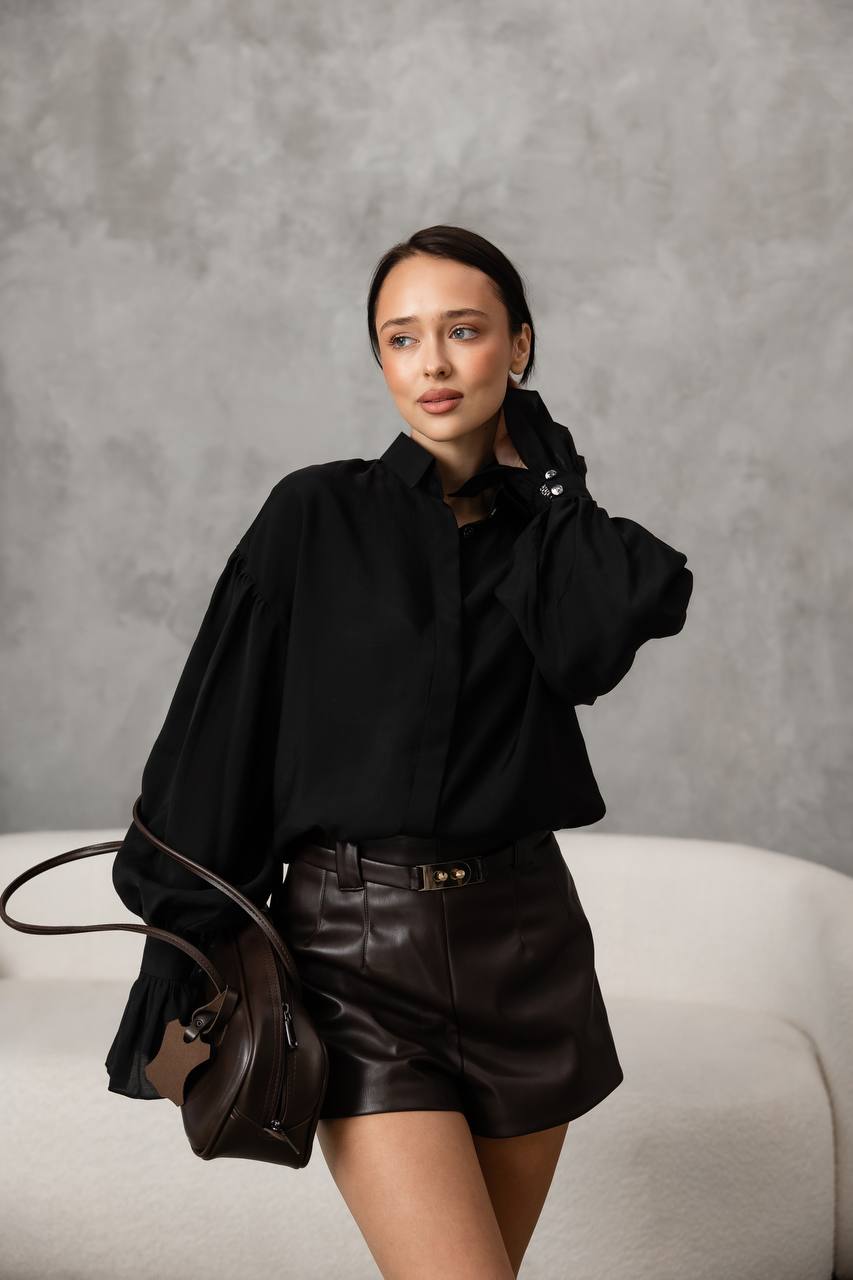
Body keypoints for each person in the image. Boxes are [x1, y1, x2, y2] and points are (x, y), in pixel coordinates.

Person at [105, 225, 693, 1278]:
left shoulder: (555, 539)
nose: (429, 363)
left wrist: (552, 483)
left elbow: (597, 641)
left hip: (529, 949)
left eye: (462, 332)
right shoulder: (313, 515)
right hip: (353, 959)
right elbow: (216, 728)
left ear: (518, 346)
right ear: (378, 357)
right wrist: (179, 951)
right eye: (400, 337)